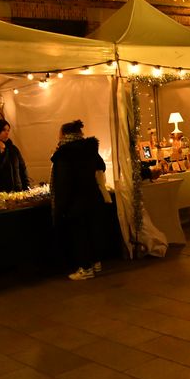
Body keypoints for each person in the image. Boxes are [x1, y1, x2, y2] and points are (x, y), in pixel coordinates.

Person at [50, 120, 108, 281]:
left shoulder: (64, 153)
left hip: (75, 200)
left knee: (79, 235)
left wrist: (60, 207)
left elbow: (63, 182)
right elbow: (102, 166)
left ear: (65, 134)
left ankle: (85, 268)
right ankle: (96, 263)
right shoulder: (89, 149)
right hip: (93, 196)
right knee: (93, 231)